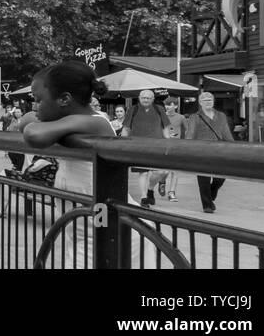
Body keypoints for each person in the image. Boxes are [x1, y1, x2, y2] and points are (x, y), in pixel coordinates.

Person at [22, 61, 116, 268]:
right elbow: (25, 124)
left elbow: (33, 133)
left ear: (64, 99)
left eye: (38, 100)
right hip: (85, 229)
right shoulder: (72, 122)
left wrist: (37, 122)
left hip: (105, 231)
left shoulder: (96, 121)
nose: (34, 106)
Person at [185, 91, 235, 213]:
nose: (208, 102)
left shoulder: (221, 115)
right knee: (204, 179)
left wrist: (233, 147)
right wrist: (187, 149)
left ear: (213, 101)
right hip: (201, 152)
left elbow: (226, 133)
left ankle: (212, 192)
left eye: (210, 100)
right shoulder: (194, 117)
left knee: (221, 177)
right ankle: (207, 205)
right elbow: (190, 135)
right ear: (200, 102)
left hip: (219, 151)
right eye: (205, 100)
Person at [121, 89, 170, 207]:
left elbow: (165, 127)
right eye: (143, 97)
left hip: (157, 146)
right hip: (138, 146)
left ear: (153, 99)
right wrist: (122, 143)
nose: (146, 99)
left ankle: (150, 188)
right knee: (142, 172)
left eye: (148, 98)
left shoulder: (159, 109)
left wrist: (168, 143)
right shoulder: (133, 110)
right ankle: (144, 197)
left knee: (162, 171)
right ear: (139, 98)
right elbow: (126, 128)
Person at [158, 96, 188, 202]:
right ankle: (162, 182)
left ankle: (172, 193)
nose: (167, 107)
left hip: (176, 147)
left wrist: (184, 143)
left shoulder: (181, 118)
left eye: (169, 105)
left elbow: (188, 131)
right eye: (166, 104)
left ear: (175, 106)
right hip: (164, 146)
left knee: (175, 171)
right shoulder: (161, 116)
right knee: (164, 171)